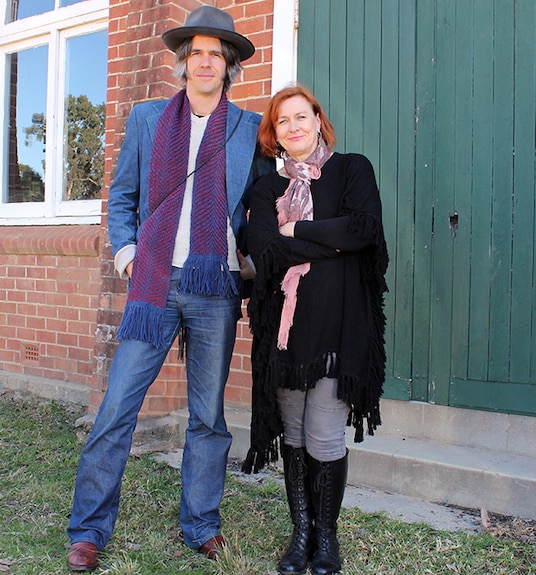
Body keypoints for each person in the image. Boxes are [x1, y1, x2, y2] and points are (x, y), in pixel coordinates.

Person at [65, 6, 273, 572]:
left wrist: (256, 259)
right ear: (183, 63)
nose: (205, 62)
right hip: (153, 281)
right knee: (116, 409)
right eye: (196, 53)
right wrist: (127, 253)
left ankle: (201, 523)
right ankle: (88, 530)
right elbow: (123, 194)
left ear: (229, 66)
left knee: (208, 415)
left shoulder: (249, 128)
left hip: (215, 289)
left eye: (216, 54)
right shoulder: (147, 118)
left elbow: (262, 206)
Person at [241, 85, 389, 575]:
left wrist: (297, 231)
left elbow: (364, 231)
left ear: (318, 120)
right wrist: (333, 240)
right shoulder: (266, 188)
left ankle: (327, 538)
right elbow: (262, 249)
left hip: (339, 327)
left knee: (325, 436)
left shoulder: (352, 169)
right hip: (285, 337)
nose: (293, 126)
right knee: (296, 436)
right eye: (282, 121)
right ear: (274, 133)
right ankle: (300, 533)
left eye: (301, 117)